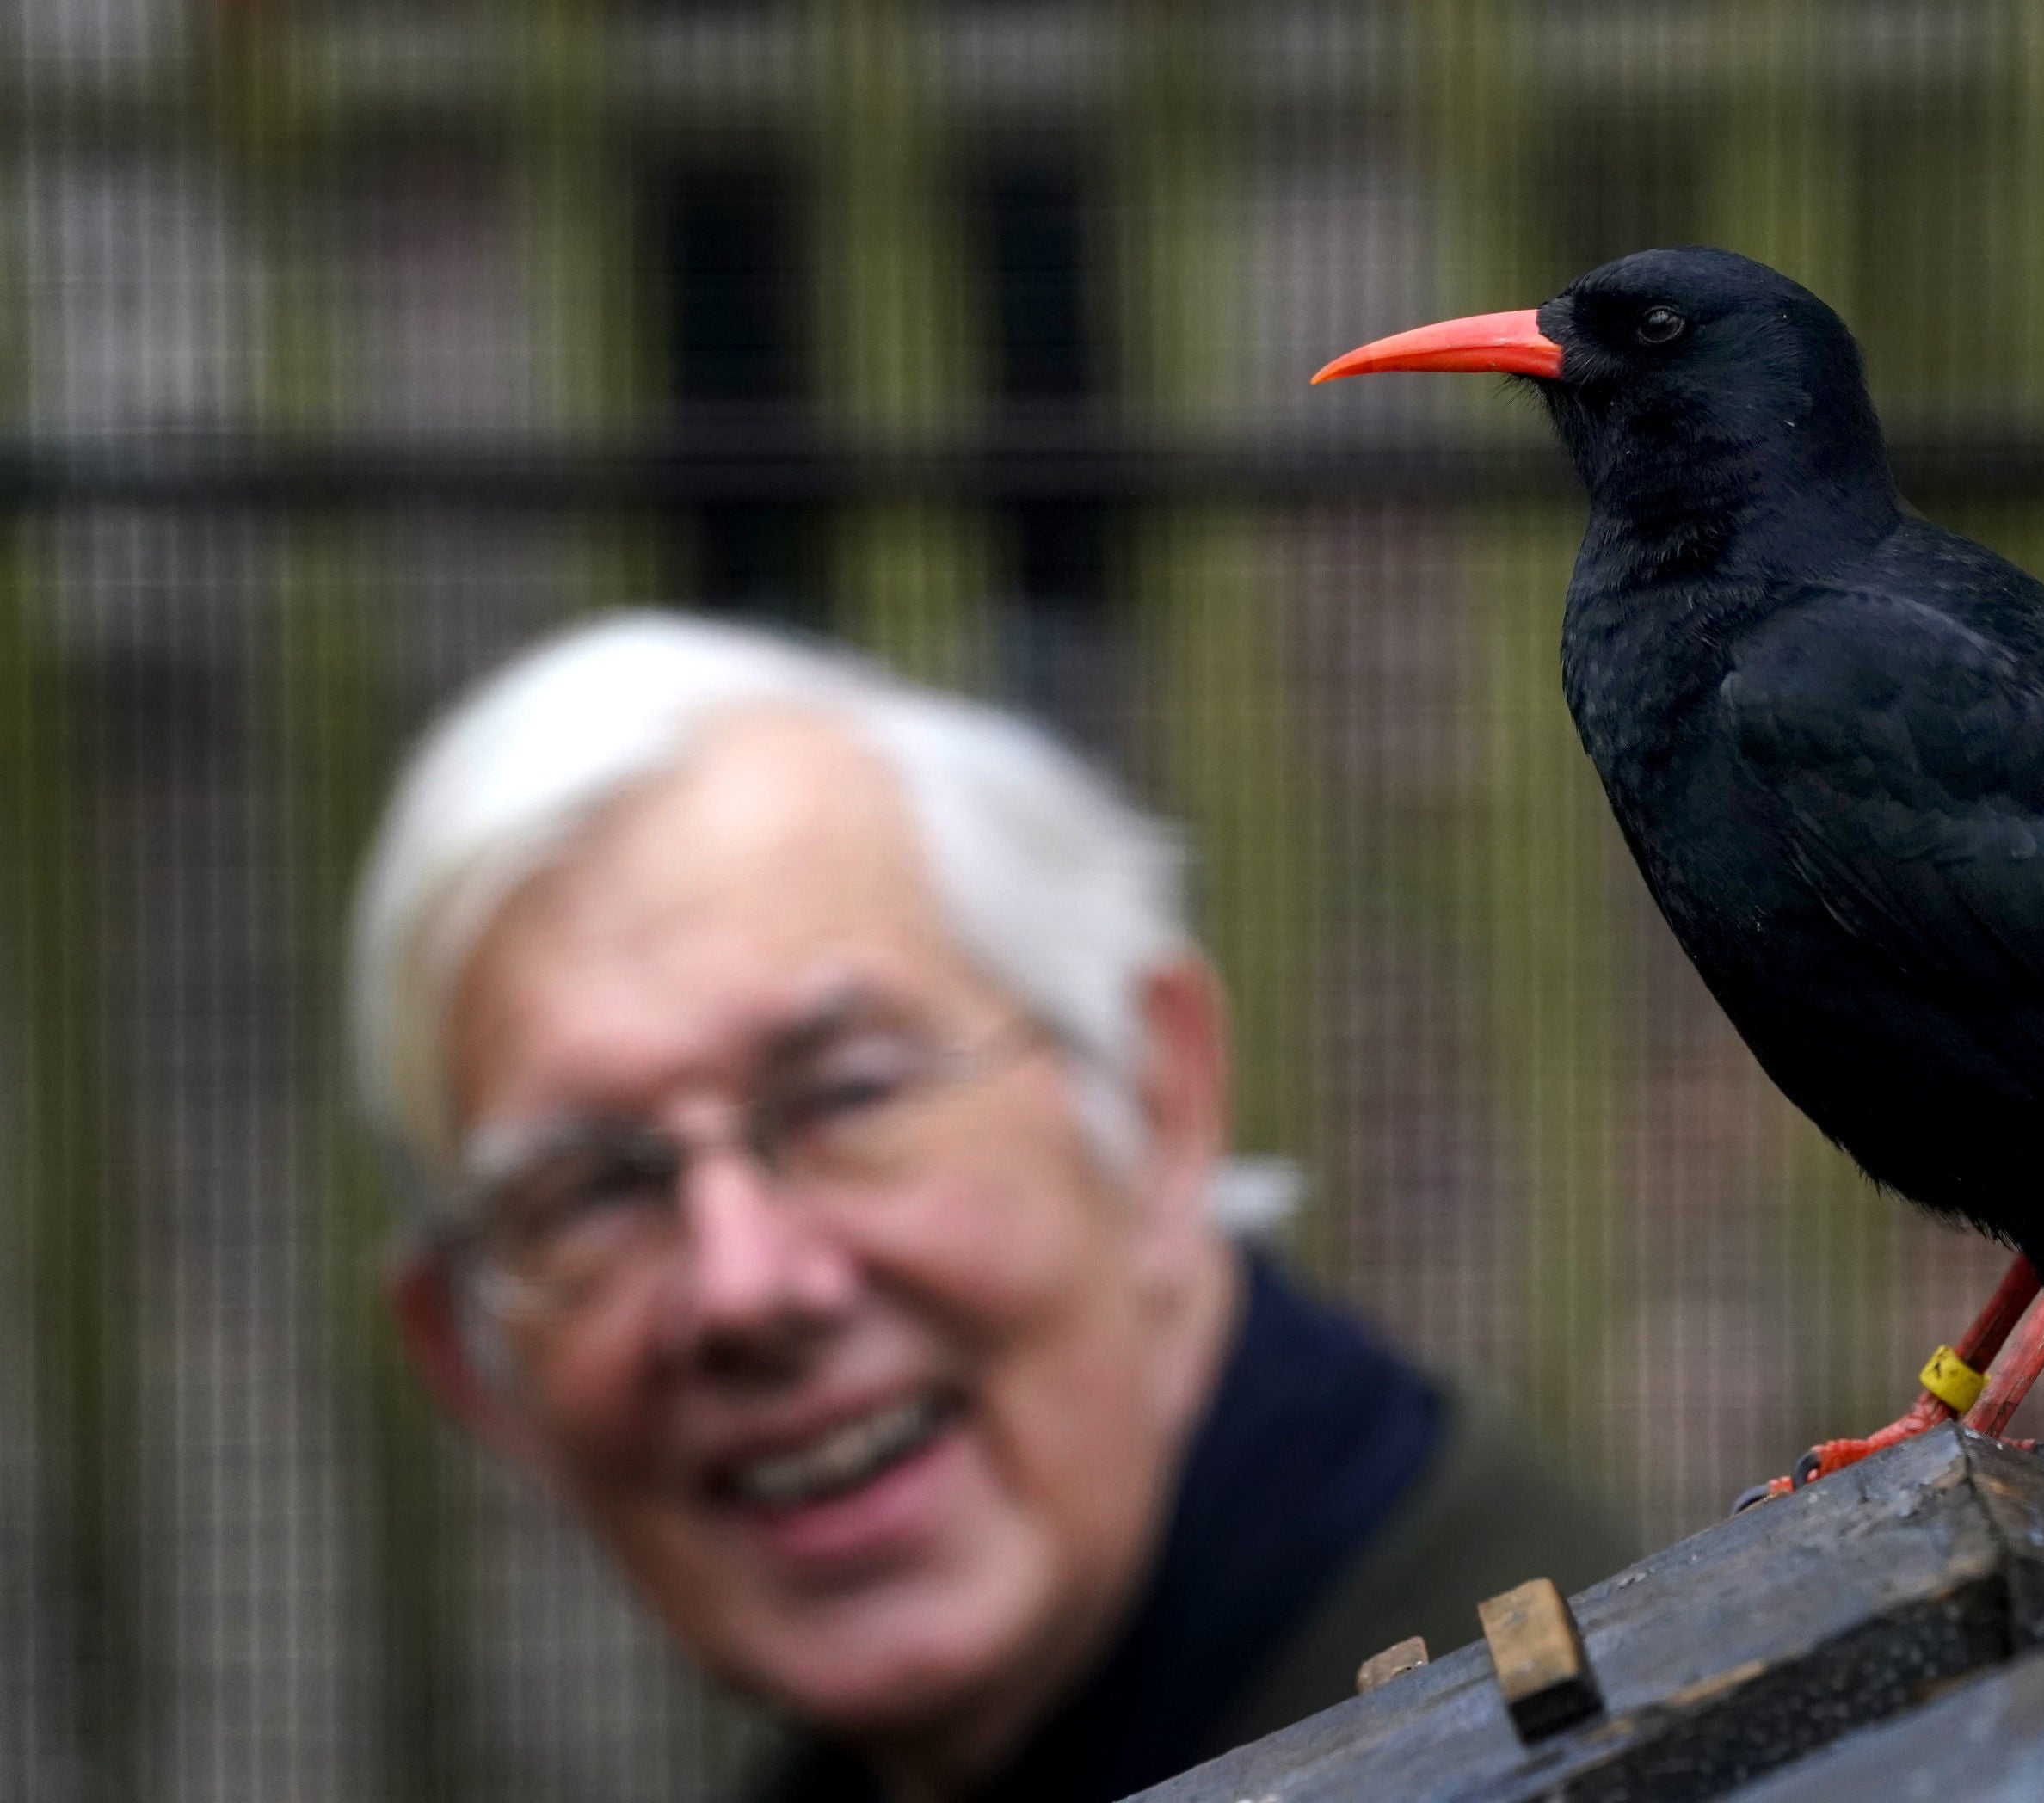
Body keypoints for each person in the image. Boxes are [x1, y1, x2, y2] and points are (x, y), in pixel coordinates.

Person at [348, 612, 1637, 1803]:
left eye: (844, 1096)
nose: (743, 1285)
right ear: (472, 1366)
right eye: (589, 1194)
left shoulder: (1601, 1737)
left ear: (1154, 1100)